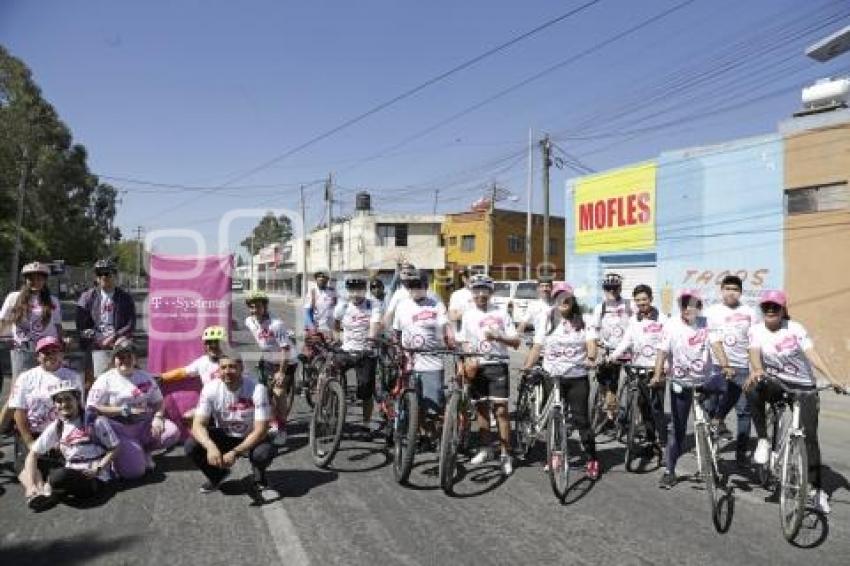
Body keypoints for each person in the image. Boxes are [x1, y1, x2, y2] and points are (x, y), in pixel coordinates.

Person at [745, 290, 848, 514]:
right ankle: (763, 439)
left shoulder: (795, 329)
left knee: (810, 438)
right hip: (776, 383)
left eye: (775, 307)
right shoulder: (755, 330)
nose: (770, 310)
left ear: (783, 310)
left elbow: (812, 353)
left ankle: (816, 490)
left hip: (803, 386)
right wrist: (758, 370)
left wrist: (832, 379)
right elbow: (754, 352)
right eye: (766, 307)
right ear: (762, 310)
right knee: (752, 386)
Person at [523, 283, 600, 479]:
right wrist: (528, 366)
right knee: (554, 417)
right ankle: (556, 453)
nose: (563, 301)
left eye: (567, 298)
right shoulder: (547, 318)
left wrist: (591, 358)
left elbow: (591, 343)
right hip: (553, 375)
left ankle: (591, 459)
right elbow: (538, 345)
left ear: (572, 300)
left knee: (581, 419)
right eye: (559, 297)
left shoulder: (584, 319)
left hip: (576, 376)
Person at [653, 290, 719, 489]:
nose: (688, 308)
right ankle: (669, 471)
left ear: (700, 307)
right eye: (684, 304)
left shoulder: (707, 324)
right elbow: (662, 351)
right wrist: (657, 375)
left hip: (705, 382)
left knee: (710, 425)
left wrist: (725, 364)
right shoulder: (671, 325)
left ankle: (710, 465)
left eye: (693, 304)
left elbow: (716, 345)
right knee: (678, 429)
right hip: (680, 383)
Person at [19, 379, 119, 511]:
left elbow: (115, 448)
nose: (64, 404)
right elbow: (33, 454)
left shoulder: (96, 421)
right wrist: (31, 485)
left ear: (77, 400)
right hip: (71, 470)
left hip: (94, 478)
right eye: (59, 401)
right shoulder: (58, 425)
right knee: (25, 459)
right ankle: (40, 492)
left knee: (59, 476)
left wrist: (99, 468)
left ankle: (50, 493)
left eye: (68, 399)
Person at [86, 337, 179, 479]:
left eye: (129, 356)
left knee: (172, 432)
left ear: (135, 359)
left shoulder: (145, 377)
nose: (125, 360)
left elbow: (159, 402)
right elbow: (93, 408)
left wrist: (158, 418)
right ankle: (121, 455)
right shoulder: (104, 379)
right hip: (119, 430)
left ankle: (143, 451)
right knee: (135, 472)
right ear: (114, 359)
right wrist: (124, 410)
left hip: (143, 425)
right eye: (120, 357)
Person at [184, 353, 273, 497]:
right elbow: (198, 425)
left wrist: (235, 452)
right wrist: (210, 446)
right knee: (191, 446)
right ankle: (217, 476)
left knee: (262, 454)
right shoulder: (210, 389)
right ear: (218, 370)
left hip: (251, 435)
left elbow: (261, 430)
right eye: (223, 367)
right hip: (226, 433)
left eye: (232, 367)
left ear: (241, 368)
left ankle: (259, 474)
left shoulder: (257, 389)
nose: (227, 371)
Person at [457, 274, 520, 476]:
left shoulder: (501, 313)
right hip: (477, 367)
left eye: (485, 290)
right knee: (482, 411)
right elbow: (464, 341)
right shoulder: (467, 315)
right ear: (472, 293)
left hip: (498, 364)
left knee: (501, 411)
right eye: (477, 291)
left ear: (491, 293)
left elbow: (516, 342)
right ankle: (486, 449)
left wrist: (498, 336)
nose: (481, 294)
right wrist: (466, 359)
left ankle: (505, 454)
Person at [392, 271, 454, 445]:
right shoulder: (402, 306)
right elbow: (396, 332)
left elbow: (446, 326)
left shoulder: (436, 305)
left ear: (426, 286)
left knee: (433, 407)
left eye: (418, 285)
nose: (415, 289)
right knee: (412, 403)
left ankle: (434, 436)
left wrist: (451, 339)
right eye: (411, 285)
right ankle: (416, 434)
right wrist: (396, 350)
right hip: (408, 361)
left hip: (431, 362)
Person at [0, 262, 63, 432]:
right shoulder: (14, 297)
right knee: (16, 395)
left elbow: (57, 326)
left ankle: (36, 428)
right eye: (30, 278)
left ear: (45, 280)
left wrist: (62, 345)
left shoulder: (52, 301)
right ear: (25, 280)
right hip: (23, 351)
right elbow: (3, 322)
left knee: (44, 390)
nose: (35, 281)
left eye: (39, 277)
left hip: (47, 352)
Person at [608, 284, 667, 462]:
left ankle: (663, 444)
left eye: (644, 299)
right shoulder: (635, 320)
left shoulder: (662, 318)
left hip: (656, 369)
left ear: (651, 299)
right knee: (643, 408)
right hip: (638, 368)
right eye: (638, 300)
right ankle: (650, 442)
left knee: (656, 409)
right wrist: (614, 355)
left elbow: (668, 344)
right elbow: (627, 340)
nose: (641, 303)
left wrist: (666, 365)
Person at [8, 336, 84, 474]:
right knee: (28, 468)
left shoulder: (73, 376)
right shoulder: (26, 377)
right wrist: (29, 441)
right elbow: (19, 412)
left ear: (61, 354)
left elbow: (79, 409)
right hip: (33, 433)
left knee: (61, 472)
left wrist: (67, 438)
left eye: (54, 351)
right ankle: (35, 492)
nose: (50, 355)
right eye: (45, 352)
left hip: (62, 434)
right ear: (38, 356)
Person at [704, 275, 758, 466]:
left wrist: (754, 368)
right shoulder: (712, 312)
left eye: (735, 289)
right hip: (718, 368)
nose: (731, 292)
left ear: (740, 292)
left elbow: (755, 340)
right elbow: (709, 340)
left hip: (742, 367)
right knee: (714, 409)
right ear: (721, 290)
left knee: (744, 412)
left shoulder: (750, 312)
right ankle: (711, 449)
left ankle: (741, 454)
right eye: (727, 288)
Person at [244, 290, 297, 443]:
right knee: (264, 393)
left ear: (265, 306)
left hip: (286, 361)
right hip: (267, 360)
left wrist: (281, 372)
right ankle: (272, 422)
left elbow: (285, 350)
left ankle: (282, 428)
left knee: (278, 392)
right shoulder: (249, 321)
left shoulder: (276, 324)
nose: (255, 310)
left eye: (258, 306)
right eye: (252, 307)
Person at [334, 276, 382, 435]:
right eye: (352, 290)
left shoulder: (373, 304)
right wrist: (337, 340)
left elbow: (374, 325)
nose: (356, 294)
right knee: (329, 371)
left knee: (366, 391)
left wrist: (371, 340)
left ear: (364, 290)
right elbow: (336, 325)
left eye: (359, 290)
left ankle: (366, 424)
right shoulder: (342, 306)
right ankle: (330, 403)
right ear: (348, 291)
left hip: (365, 352)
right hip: (347, 350)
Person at [76, 258, 137, 382]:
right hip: (95, 343)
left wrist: (114, 337)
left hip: (118, 342)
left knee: (121, 379)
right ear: (96, 277)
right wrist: (97, 338)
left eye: (107, 273)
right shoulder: (87, 297)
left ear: (115, 275)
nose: (103, 276)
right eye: (99, 274)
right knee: (94, 381)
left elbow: (130, 324)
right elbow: (81, 325)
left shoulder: (125, 298)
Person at [591, 273, 633, 427]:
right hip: (609, 349)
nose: (612, 290)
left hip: (629, 349)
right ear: (604, 289)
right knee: (608, 383)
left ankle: (635, 412)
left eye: (615, 287)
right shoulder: (600, 307)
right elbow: (593, 329)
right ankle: (609, 413)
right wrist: (596, 347)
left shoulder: (629, 305)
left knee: (633, 382)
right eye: (608, 288)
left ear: (620, 288)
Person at [160, 325, 226, 387]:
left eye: (217, 342)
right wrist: (161, 378)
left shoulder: (232, 361)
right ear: (205, 345)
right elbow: (182, 372)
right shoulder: (202, 362)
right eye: (209, 342)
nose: (213, 345)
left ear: (223, 343)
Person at [303, 268, 337, 336]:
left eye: (323, 276)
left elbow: (337, 309)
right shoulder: (312, 292)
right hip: (316, 329)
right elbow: (307, 312)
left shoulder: (333, 292)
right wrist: (311, 327)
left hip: (330, 329)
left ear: (327, 279)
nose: (321, 278)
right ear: (316, 279)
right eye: (319, 276)